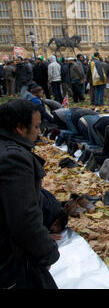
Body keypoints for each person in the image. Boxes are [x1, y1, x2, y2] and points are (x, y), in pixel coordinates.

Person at [0, 99, 60, 289]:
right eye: (36, 127)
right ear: (19, 127)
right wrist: (47, 252)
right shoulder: (14, 158)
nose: (39, 132)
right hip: (12, 261)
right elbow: (24, 218)